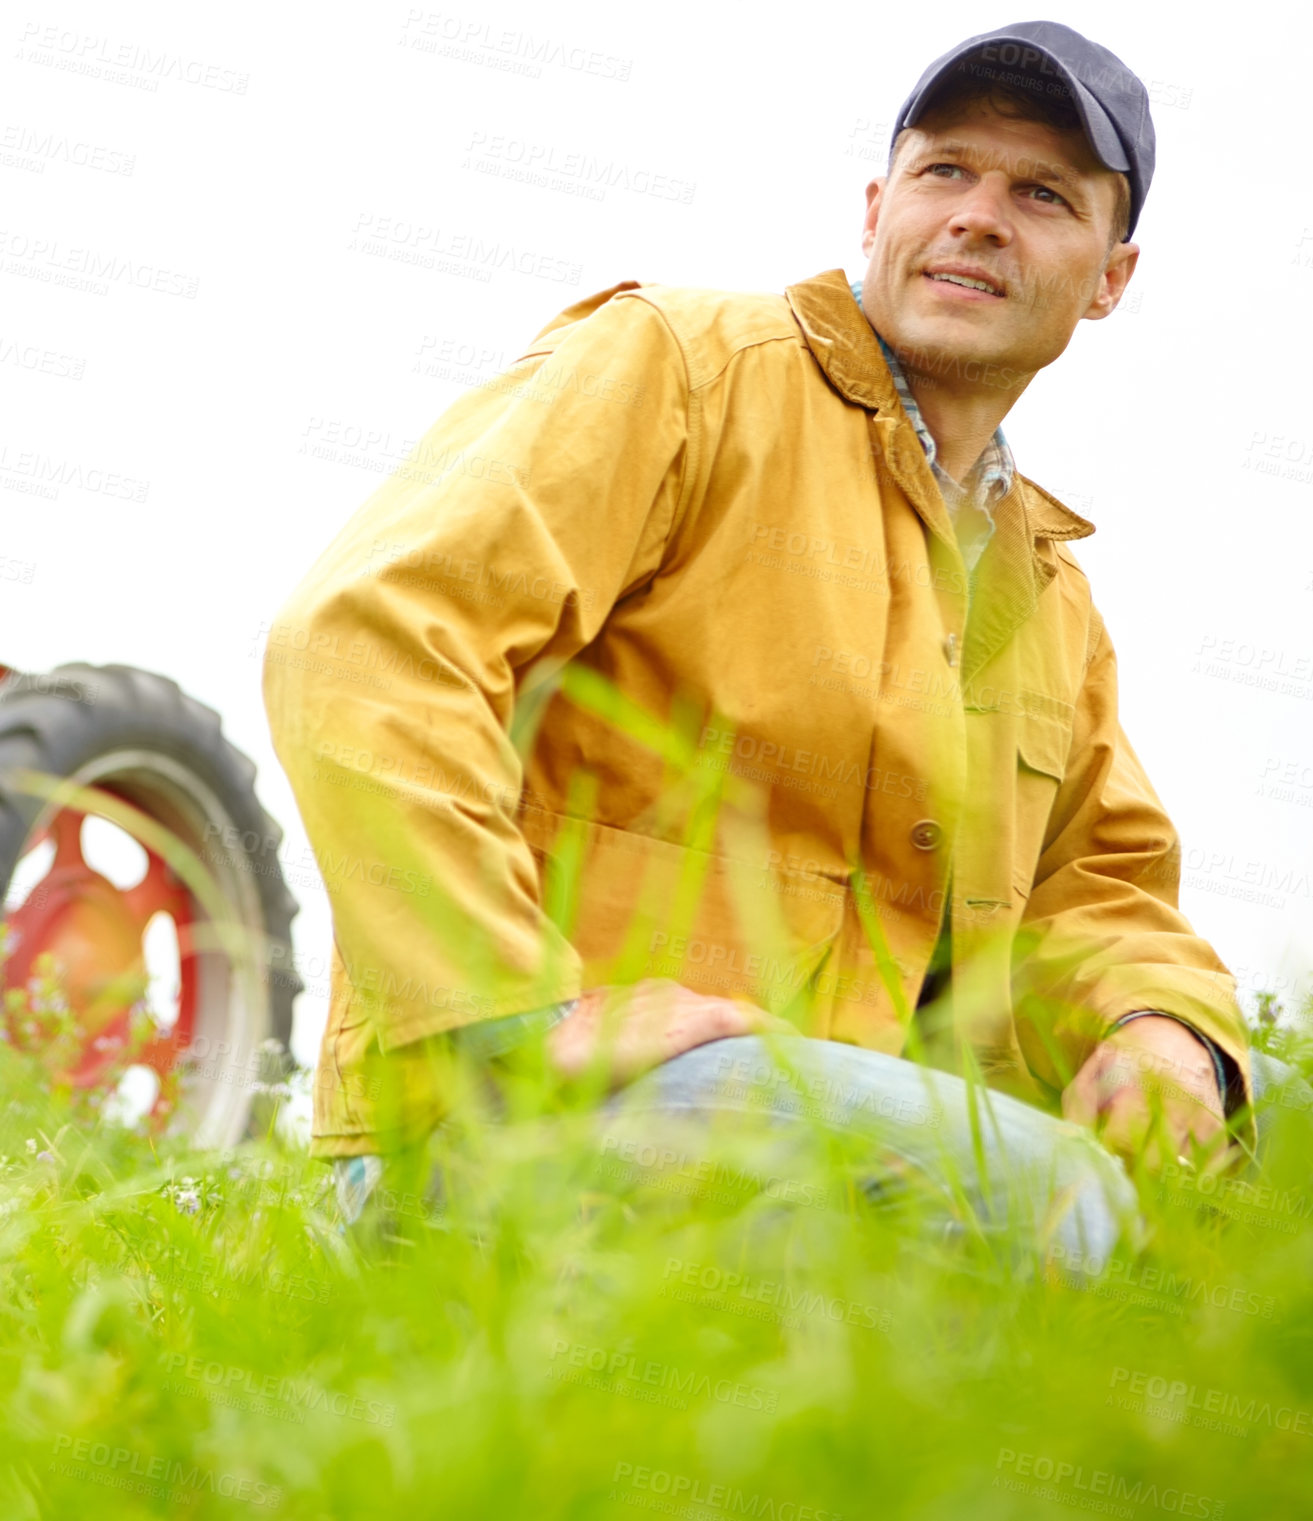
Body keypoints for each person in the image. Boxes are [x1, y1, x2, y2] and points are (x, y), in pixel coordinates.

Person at [263, 21, 1262, 1237]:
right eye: (943, 170)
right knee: (1042, 1194)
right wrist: (516, 1016)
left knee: (1276, 1177)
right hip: (509, 1120)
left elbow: (1093, 888)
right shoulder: (678, 371)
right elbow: (370, 643)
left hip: (837, 1125)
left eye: (1041, 193)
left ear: (1109, 276)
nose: (978, 216)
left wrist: (1159, 1036)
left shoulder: (1038, 591)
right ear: (874, 206)